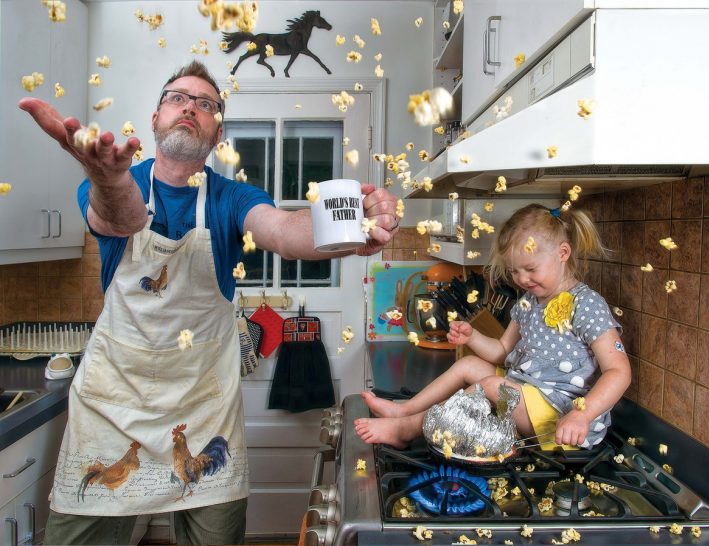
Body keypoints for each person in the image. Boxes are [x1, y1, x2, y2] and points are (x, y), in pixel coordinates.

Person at [19, 60, 399, 545]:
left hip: (202, 410)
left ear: (217, 132)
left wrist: (344, 229)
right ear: (156, 117)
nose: (190, 108)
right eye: (178, 98)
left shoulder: (232, 197)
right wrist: (107, 178)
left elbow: (281, 230)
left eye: (206, 104)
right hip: (111, 406)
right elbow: (122, 218)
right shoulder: (112, 182)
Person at [355, 204, 631, 452]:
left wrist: (582, 415)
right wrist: (472, 336)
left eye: (530, 268)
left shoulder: (587, 304)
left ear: (563, 253)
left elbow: (618, 371)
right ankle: (404, 410)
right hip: (526, 396)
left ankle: (406, 430)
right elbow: (501, 351)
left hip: (561, 417)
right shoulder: (529, 302)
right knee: (469, 366)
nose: (521, 278)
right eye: (513, 271)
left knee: (492, 385)